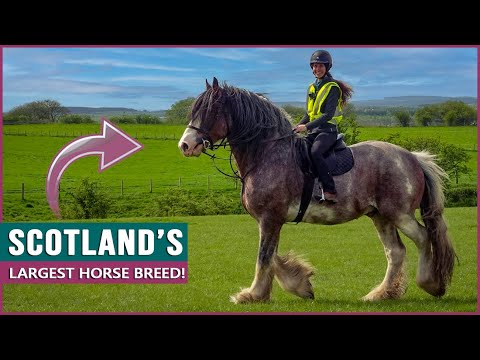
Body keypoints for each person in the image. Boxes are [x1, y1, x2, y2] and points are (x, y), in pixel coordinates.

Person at [293, 49, 353, 203]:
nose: (316, 69)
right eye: (314, 66)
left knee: (316, 152)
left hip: (328, 131)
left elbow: (327, 115)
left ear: (327, 67)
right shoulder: (311, 88)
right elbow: (309, 114)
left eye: (320, 66)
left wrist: (305, 127)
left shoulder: (332, 88)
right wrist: (297, 125)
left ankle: (330, 190)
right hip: (314, 131)